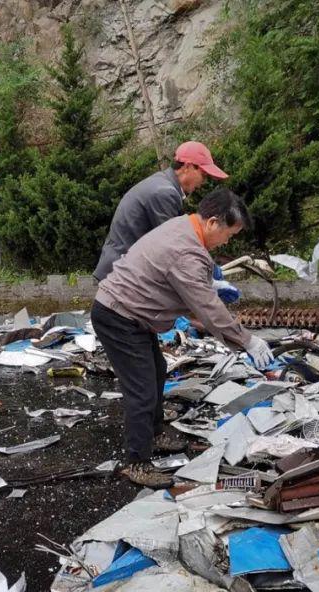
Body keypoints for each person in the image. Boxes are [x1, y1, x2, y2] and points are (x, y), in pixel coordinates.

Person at [92, 187, 274, 488]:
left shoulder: (183, 226)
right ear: (213, 222)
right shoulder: (187, 251)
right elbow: (208, 310)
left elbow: (191, 282)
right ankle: (136, 463)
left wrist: (210, 282)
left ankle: (155, 434)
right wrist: (248, 341)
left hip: (129, 313)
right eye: (229, 233)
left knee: (157, 370)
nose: (228, 241)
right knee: (142, 391)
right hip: (119, 316)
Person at [93, 141, 237, 308]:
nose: (203, 182)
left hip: (122, 272)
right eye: (203, 175)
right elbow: (173, 249)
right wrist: (206, 277)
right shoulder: (164, 193)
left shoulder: (162, 185)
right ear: (188, 167)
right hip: (122, 278)